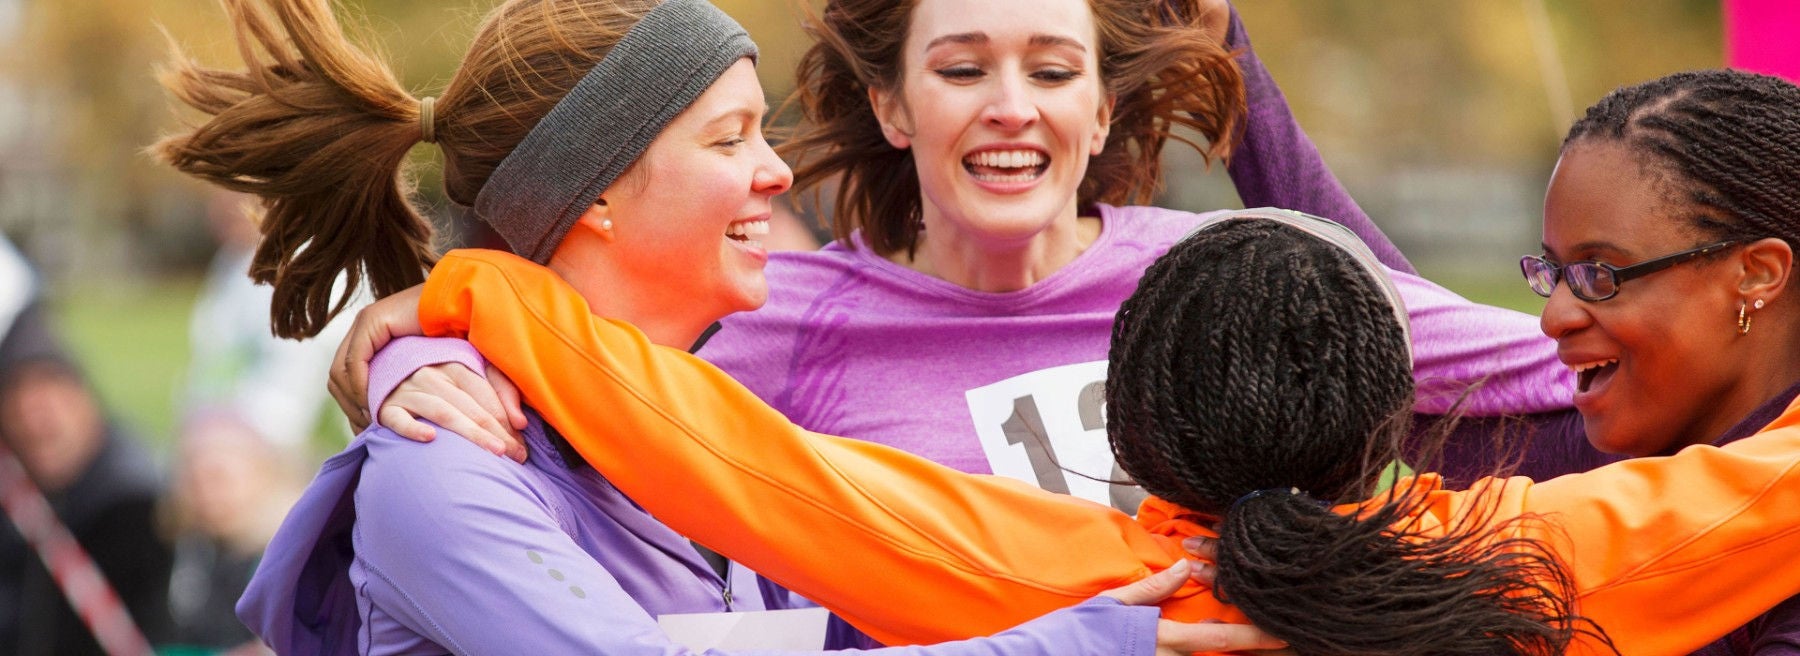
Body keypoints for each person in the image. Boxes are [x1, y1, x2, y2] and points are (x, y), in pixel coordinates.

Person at [152, 0, 1279, 653]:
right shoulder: (448, 466)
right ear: (591, 192)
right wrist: (1095, 641)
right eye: (731, 138)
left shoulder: (700, 431)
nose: (776, 171)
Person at [378, 208, 1800, 655]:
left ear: (1123, 422)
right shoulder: (1533, 563)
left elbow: (735, 459)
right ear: (1390, 420)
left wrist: (467, 290)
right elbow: (1771, 487)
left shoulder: (1050, 582)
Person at [350, 0, 1578, 517]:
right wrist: (397, 347)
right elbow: (555, 365)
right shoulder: (779, 317)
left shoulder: (1237, 281)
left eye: (1051, 71)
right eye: (959, 69)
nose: (1009, 106)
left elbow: (1591, 367)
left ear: (1100, 113)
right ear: (893, 107)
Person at [1521, 69, 1800, 655]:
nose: (1553, 319)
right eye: (1554, 271)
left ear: (1756, 274)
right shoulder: (1599, 449)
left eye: (1600, 273)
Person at [0, 236, 174, 656]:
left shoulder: (131, 499)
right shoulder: (19, 494)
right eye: (21, 410)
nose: (39, 423)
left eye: (53, 399)